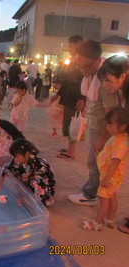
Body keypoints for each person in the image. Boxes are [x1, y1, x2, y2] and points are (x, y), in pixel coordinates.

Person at [67, 40, 117, 206]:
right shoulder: (92, 76)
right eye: (79, 65)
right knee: (93, 160)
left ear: (97, 61)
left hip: (102, 129)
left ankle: (92, 195)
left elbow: (111, 113)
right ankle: (94, 191)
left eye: (85, 66)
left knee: (95, 161)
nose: (82, 70)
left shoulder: (105, 81)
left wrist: (103, 138)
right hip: (94, 124)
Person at [81, 108, 129, 231]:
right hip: (114, 178)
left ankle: (97, 223)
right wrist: (99, 155)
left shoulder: (120, 143)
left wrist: (106, 179)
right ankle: (110, 219)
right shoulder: (119, 137)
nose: (108, 127)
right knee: (112, 196)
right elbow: (110, 154)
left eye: (110, 125)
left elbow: (115, 162)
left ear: (123, 126)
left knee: (104, 200)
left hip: (109, 177)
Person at [0, 138, 56, 206]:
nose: (15, 159)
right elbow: (6, 169)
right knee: (14, 169)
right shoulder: (18, 162)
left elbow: (46, 183)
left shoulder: (40, 166)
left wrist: (24, 199)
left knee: (35, 181)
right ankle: (26, 197)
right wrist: (0, 184)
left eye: (17, 156)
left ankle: (33, 202)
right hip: (28, 185)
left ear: (26, 155)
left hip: (44, 192)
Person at [52, 35, 85, 159]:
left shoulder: (82, 61)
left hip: (76, 98)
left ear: (79, 46)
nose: (69, 48)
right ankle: (70, 148)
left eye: (71, 46)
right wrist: (58, 95)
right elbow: (67, 80)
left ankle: (72, 151)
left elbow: (84, 80)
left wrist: (81, 98)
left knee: (73, 123)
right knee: (68, 122)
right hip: (69, 95)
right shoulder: (73, 60)